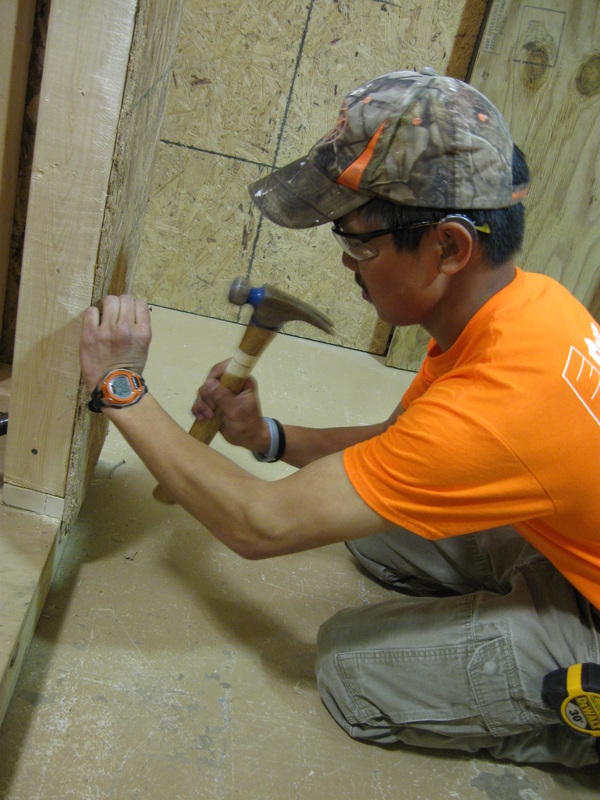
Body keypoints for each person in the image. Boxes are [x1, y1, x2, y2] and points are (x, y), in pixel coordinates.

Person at [79, 69, 600, 768]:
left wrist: (120, 387)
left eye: (360, 244)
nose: (351, 267)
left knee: (351, 671)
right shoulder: (522, 307)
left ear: (449, 247)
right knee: (380, 540)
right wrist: (269, 439)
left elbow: (259, 527)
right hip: (570, 542)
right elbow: (402, 446)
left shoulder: (499, 406)